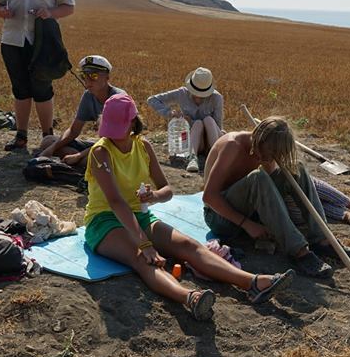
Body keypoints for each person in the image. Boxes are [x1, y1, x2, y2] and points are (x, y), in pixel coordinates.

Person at [83, 93, 293, 321]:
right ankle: (189, 298)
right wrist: (144, 243)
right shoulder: (100, 152)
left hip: (139, 215)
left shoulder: (143, 146)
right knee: (141, 258)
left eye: (119, 127)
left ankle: (253, 282)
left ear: (133, 122)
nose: (114, 134)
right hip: (104, 220)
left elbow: (167, 190)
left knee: (189, 245)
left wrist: (153, 196)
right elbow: (115, 202)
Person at [202, 117, 350, 279]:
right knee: (258, 177)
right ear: (257, 138)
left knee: (296, 168)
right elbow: (209, 197)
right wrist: (248, 224)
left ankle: (322, 239)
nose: (265, 160)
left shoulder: (268, 151)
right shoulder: (232, 146)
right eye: (263, 155)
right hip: (220, 219)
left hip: (249, 211)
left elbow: (270, 190)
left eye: (271, 157)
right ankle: (299, 251)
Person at [0, 0, 75, 151]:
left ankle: (48, 136)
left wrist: (49, 12)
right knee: (20, 88)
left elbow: (69, 7)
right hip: (12, 40)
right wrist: (3, 11)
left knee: (42, 87)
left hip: (43, 42)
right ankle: (21, 136)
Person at [39, 55, 124, 167]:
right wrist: (51, 149)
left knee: (96, 159)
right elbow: (74, 130)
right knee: (48, 141)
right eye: (84, 76)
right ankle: (84, 164)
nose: (88, 81)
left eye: (94, 76)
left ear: (107, 77)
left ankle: (86, 164)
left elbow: (113, 141)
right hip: (101, 145)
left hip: (118, 148)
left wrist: (78, 156)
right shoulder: (89, 95)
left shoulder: (118, 99)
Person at [146, 67, 224, 173]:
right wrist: (170, 113)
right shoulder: (182, 93)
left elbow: (218, 126)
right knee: (197, 123)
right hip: (194, 140)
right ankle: (192, 158)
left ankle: (217, 156)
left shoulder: (216, 98)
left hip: (213, 139)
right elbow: (152, 100)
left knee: (208, 120)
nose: (198, 96)